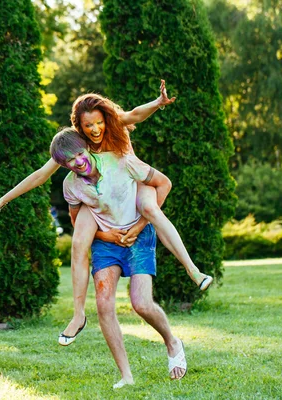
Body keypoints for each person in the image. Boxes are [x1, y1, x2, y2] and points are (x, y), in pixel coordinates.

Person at [0, 81, 212, 345]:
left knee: (150, 209)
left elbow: (135, 114)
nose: (94, 129)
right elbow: (40, 176)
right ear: (79, 127)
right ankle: (78, 315)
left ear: (105, 118)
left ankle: (193, 271)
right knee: (79, 243)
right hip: (97, 196)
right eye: (88, 125)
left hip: (134, 184)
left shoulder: (115, 126)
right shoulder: (78, 145)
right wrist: (3, 200)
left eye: (98, 123)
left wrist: (158, 103)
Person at [50, 128, 187, 387]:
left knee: (142, 304)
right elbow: (77, 223)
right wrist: (106, 236)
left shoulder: (118, 160)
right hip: (106, 242)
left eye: (80, 153)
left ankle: (172, 341)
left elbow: (160, 185)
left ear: (87, 148)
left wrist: (138, 226)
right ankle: (126, 375)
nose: (78, 161)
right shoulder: (70, 185)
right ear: (62, 164)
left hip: (137, 235)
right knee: (103, 304)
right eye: (70, 160)